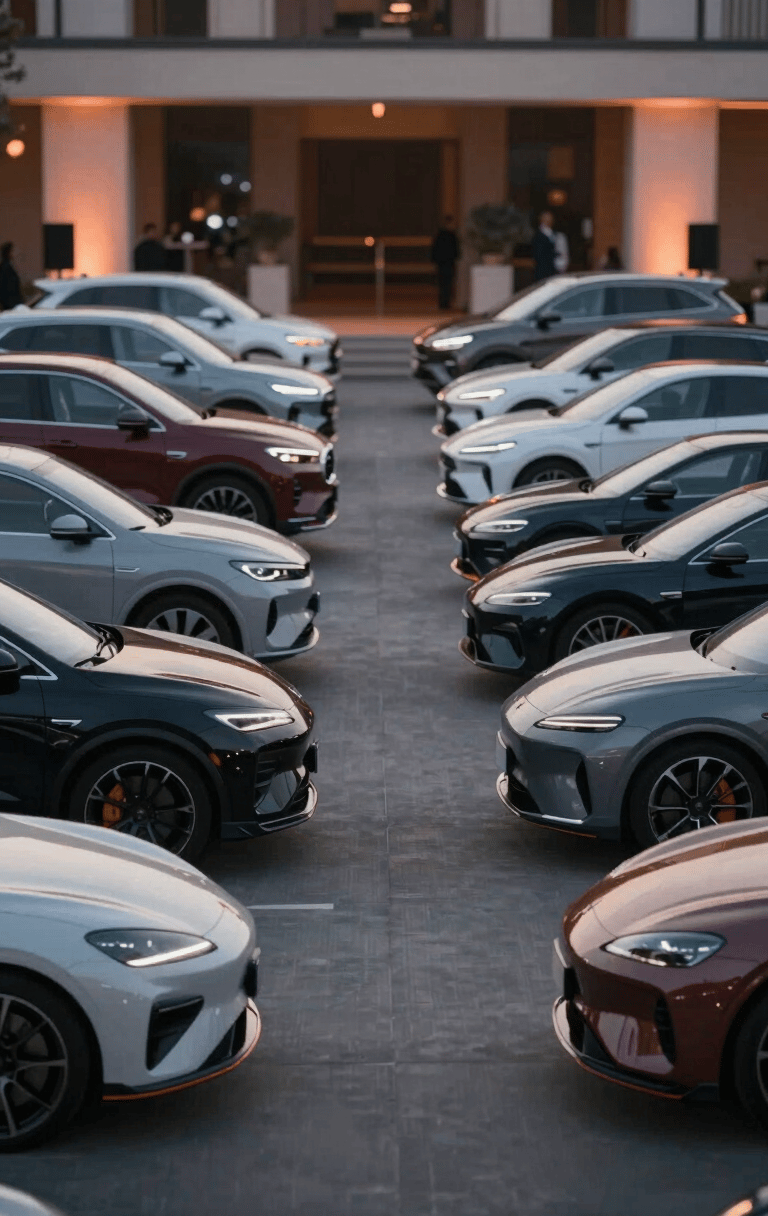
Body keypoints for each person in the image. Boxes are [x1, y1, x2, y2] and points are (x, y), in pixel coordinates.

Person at [431, 215, 460, 310]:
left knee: (444, 283)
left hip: (443, 263)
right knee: (446, 283)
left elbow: (434, 250)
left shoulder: (441, 235)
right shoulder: (450, 235)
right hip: (447, 263)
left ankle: (444, 303)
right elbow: (456, 251)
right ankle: (444, 303)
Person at [531, 210, 557, 281]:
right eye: (546, 218)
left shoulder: (552, 233)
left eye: (550, 218)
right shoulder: (538, 235)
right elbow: (538, 253)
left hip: (552, 268)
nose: (549, 220)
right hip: (542, 270)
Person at [0, 242, 23, 310]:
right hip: (10, 302)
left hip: (12, 301)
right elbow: (4, 285)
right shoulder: (5, 267)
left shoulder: (8, 265)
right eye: (12, 251)